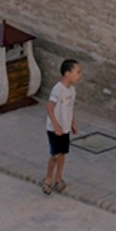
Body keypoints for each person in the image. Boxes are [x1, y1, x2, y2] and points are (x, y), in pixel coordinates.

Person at [43, 57, 80, 194]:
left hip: (65, 128)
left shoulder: (72, 91)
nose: (79, 76)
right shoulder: (58, 89)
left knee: (63, 153)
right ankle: (48, 177)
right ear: (67, 73)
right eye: (77, 72)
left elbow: (70, 108)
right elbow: (49, 108)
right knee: (55, 154)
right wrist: (56, 125)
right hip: (54, 129)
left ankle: (59, 177)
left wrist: (72, 123)